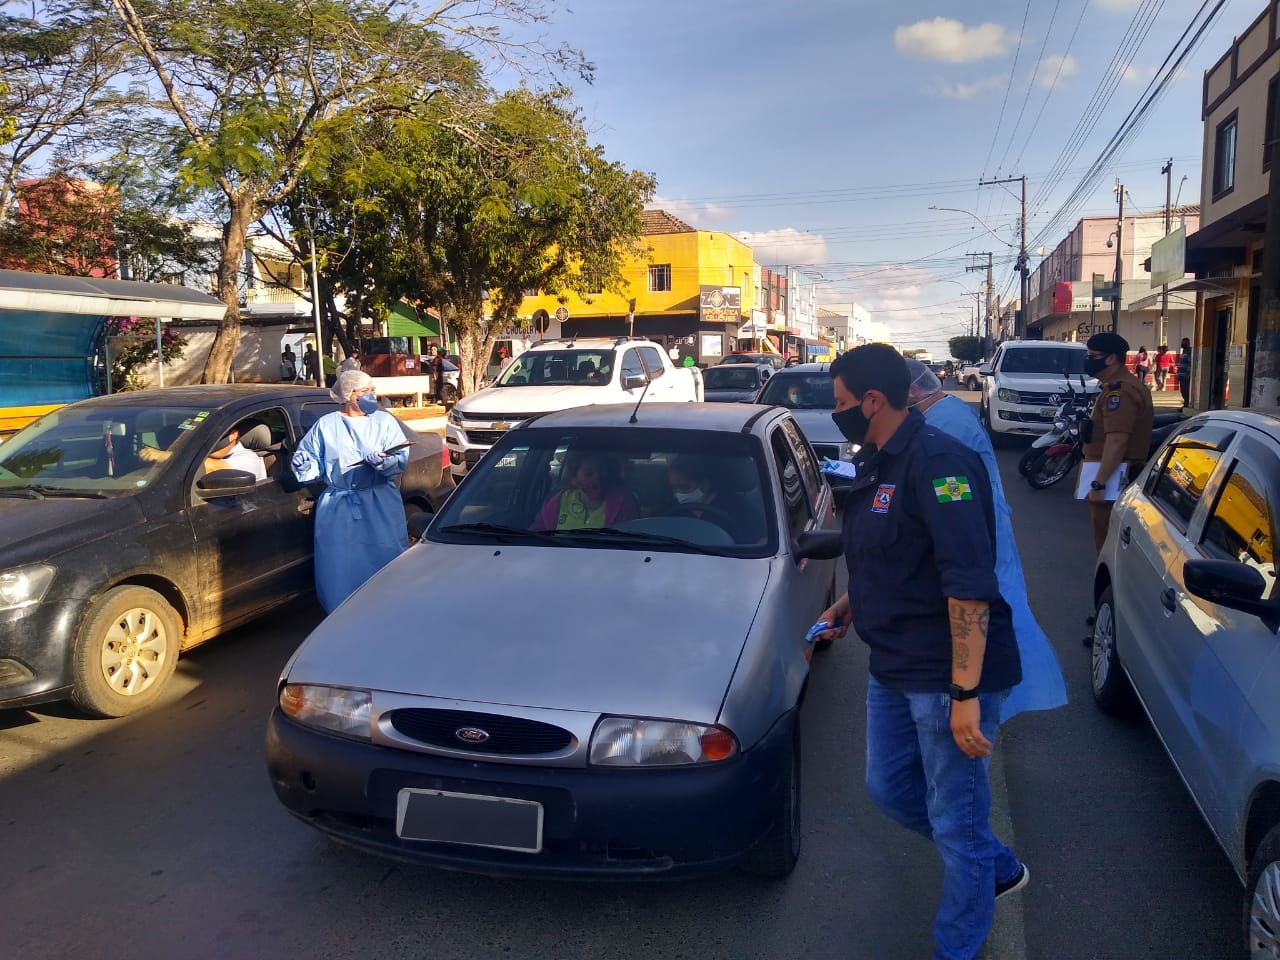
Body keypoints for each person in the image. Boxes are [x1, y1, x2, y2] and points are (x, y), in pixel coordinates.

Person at [815, 343, 1024, 960]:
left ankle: (957, 945)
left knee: (957, 822)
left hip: (945, 671)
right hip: (894, 662)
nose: (837, 412)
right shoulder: (875, 460)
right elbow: (891, 554)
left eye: (841, 402)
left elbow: (968, 583)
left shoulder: (940, 463)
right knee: (888, 789)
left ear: (872, 400)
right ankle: (995, 865)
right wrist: (848, 604)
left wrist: (965, 693)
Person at [904, 359, 1066, 721]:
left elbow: (946, 487)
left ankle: (983, 695)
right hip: (982, 523)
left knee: (989, 610)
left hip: (974, 528)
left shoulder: (943, 423)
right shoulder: (947, 410)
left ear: (912, 391)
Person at [290, 370, 410, 612]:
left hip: (379, 503)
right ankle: (341, 613)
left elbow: (400, 458)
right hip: (339, 507)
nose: (371, 395)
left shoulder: (384, 422)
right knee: (340, 564)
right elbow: (313, 460)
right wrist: (303, 464)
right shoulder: (326, 426)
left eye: (372, 390)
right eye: (364, 391)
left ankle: (390, 609)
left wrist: (383, 463)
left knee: (386, 555)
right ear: (347, 395)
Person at [1081, 331, 1154, 554]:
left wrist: (1099, 484)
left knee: (1107, 544)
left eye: (1092, 356)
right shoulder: (1116, 387)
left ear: (1111, 358)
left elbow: (1117, 440)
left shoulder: (1120, 393)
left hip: (1114, 479)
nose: (1087, 361)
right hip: (1111, 474)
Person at [666, 454, 761, 543]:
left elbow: (762, 540)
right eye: (674, 488)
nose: (677, 493)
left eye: (684, 487)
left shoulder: (738, 507)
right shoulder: (671, 510)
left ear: (705, 484)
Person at [531, 450, 636, 530]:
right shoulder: (556, 502)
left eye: (601, 471)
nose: (597, 478)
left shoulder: (623, 504)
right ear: (574, 477)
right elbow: (536, 536)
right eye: (588, 473)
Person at [1177, 337, 1192, 409]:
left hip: (1185, 375)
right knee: (1182, 390)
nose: (1182, 344)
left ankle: (1186, 404)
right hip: (1181, 375)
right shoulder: (1184, 351)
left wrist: (1188, 373)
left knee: (1185, 390)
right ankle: (1185, 403)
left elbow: (1190, 363)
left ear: (1188, 343)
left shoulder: (1189, 352)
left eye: (1184, 342)